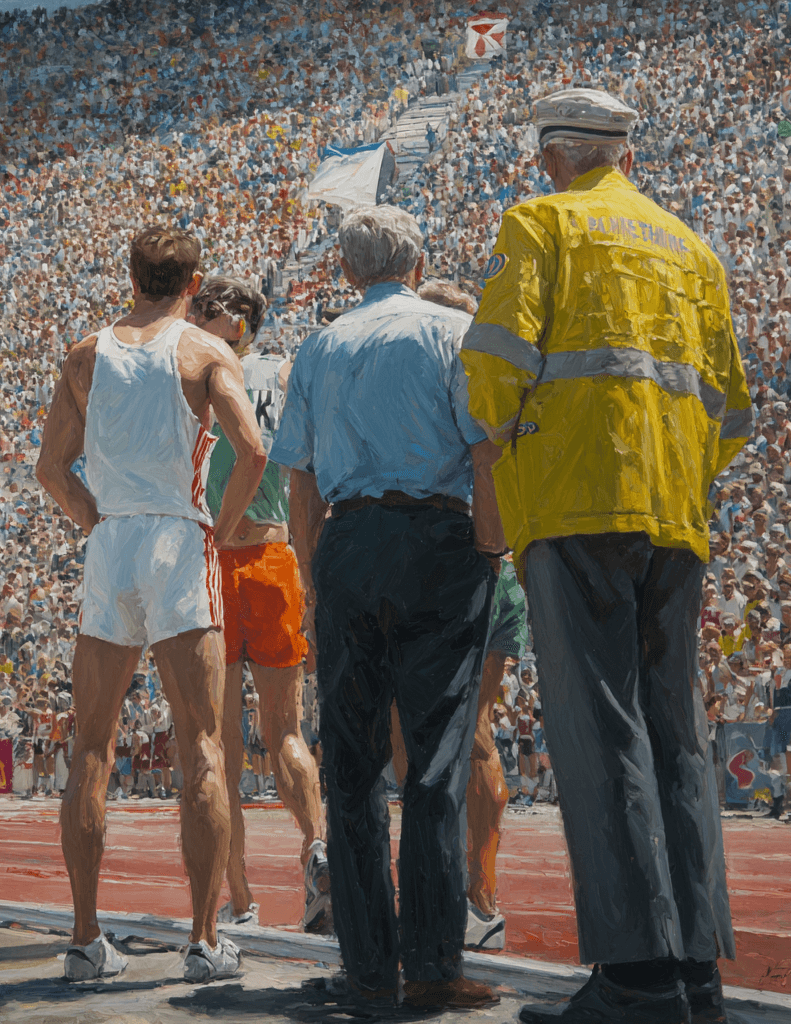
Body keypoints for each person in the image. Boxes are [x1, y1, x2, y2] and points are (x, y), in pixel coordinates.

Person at [460, 89, 753, 1024]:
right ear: (624, 156)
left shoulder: (541, 223)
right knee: (679, 740)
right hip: (675, 515)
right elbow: (733, 412)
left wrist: (505, 440)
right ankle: (695, 967)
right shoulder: (695, 250)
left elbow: (494, 370)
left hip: (578, 507)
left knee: (603, 735)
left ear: (559, 156)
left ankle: (634, 978)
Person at [270, 205, 502, 1011]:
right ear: (419, 257)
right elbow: (483, 446)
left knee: (353, 765)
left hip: (347, 540)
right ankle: (435, 965)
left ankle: (369, 969)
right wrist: (492, 548)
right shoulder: (448, 332)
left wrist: (314, 568)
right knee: (435, 763)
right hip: (437, 535)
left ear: (346, 270)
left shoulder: (319, 344)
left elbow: (298, 477)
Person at [36, 227, 267, 983]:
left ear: (130, 275)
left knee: (92, 749)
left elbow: (51, 466)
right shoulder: (203, 353)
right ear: (194, 282)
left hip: (113, 543)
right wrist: (222, 528)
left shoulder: (84, 355)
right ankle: (202, 940)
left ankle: (83, 938)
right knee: (201, 743)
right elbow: (253, 449)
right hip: (177, 534)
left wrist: (94, 522)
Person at [388, 279, 528, 953]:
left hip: (455, 562)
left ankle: (456, 890)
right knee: (475, 730)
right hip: (496, 565)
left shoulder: (431, 384)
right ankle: (477, 892)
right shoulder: (495, 379)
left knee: (429, 731)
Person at [190, 275, 331, 935]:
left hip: (215, 560)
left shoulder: (197, 372)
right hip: (276, 559)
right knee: (287, 733)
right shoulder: (287, 372)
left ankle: (241, 900)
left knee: (219, 746)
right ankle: (319, 851)